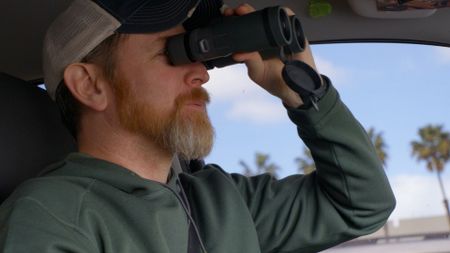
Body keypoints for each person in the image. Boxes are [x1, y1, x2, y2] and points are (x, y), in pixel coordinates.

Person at [0, 0, 396, 252]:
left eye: (196, 51)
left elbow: (361, 205)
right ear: (90, 85)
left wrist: (304, 90)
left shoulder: (223, 201)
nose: (201, 74)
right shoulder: (52, 215)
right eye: (171, 52)